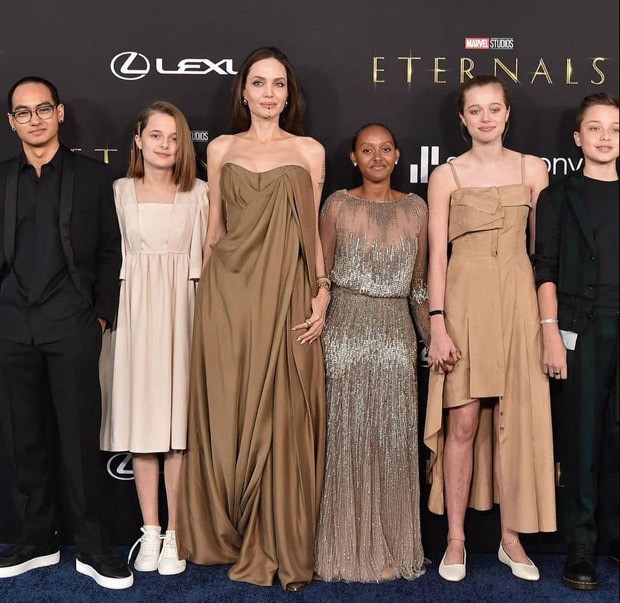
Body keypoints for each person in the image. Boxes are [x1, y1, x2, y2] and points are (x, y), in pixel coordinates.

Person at [176, 47, 328, 591]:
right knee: (229, 408)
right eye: (259, 83)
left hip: (287, 292)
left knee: (284, 413)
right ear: (243, 91)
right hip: (228, 293)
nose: (268, 93)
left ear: (289, 94)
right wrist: (201, 298)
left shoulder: (309, 151)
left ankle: (278, 539)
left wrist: (322, 290)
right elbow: (215, 229)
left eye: (278, 84)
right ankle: (226, 532)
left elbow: (312, 232)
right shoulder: (220, 148)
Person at [0, 77, 132, 589]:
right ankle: (36, 539)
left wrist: (99, 316)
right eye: (23, 112)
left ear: (60, 113)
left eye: (42, 109)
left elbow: (110, 251)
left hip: (72, 324)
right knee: (22, 439)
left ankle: (92, 546)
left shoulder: (94, 177)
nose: (33, 119)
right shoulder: (3, 178)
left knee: (79, 440)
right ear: (12, 122)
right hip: (12, 324)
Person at [424, 74, 556, 582]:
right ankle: (456, 539)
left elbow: (543, 256)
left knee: (514, 423)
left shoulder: (533, 169)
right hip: (464, 304)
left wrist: (547, 324)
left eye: (494, 108)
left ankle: (510, 539)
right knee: (463, 422)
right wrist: (438, 323)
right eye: (475, 110)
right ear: (462, 118)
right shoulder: (446, 176)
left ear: (507, 114)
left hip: (519, 304)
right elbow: (437, 259)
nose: (485, 118)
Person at [314, 123, 429, 582]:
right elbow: (320, 275)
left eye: (385, 149)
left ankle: (391, 547)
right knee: (343, 442)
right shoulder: (337, 205)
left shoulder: (416, 208)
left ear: (398, 155)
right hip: (343, 334)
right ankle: (341, 549)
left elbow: (419, 287)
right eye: (367, 149)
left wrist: (433, 338)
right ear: (353, 157)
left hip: (397, 339)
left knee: (393, 444)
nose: (377, 157)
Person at [99, 101, 208, 576]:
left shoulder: (201, 193)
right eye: (157, 135)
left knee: (178, 429)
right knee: (144, 426)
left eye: (175, 137)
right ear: (138, 140)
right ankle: (150, 530)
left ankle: (177, 534)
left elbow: (210, 262)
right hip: (135, 314)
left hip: (184, 313)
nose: (166, 145)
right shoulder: (119, 191)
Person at [534, 92, 619, 590]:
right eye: (595, 128)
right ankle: (581, 546)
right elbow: (544, 267)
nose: (606, 137)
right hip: (580, 329)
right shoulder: (558, 197)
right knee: (582, 438)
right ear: (577, 137)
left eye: (615, 129)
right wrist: (550, 332)